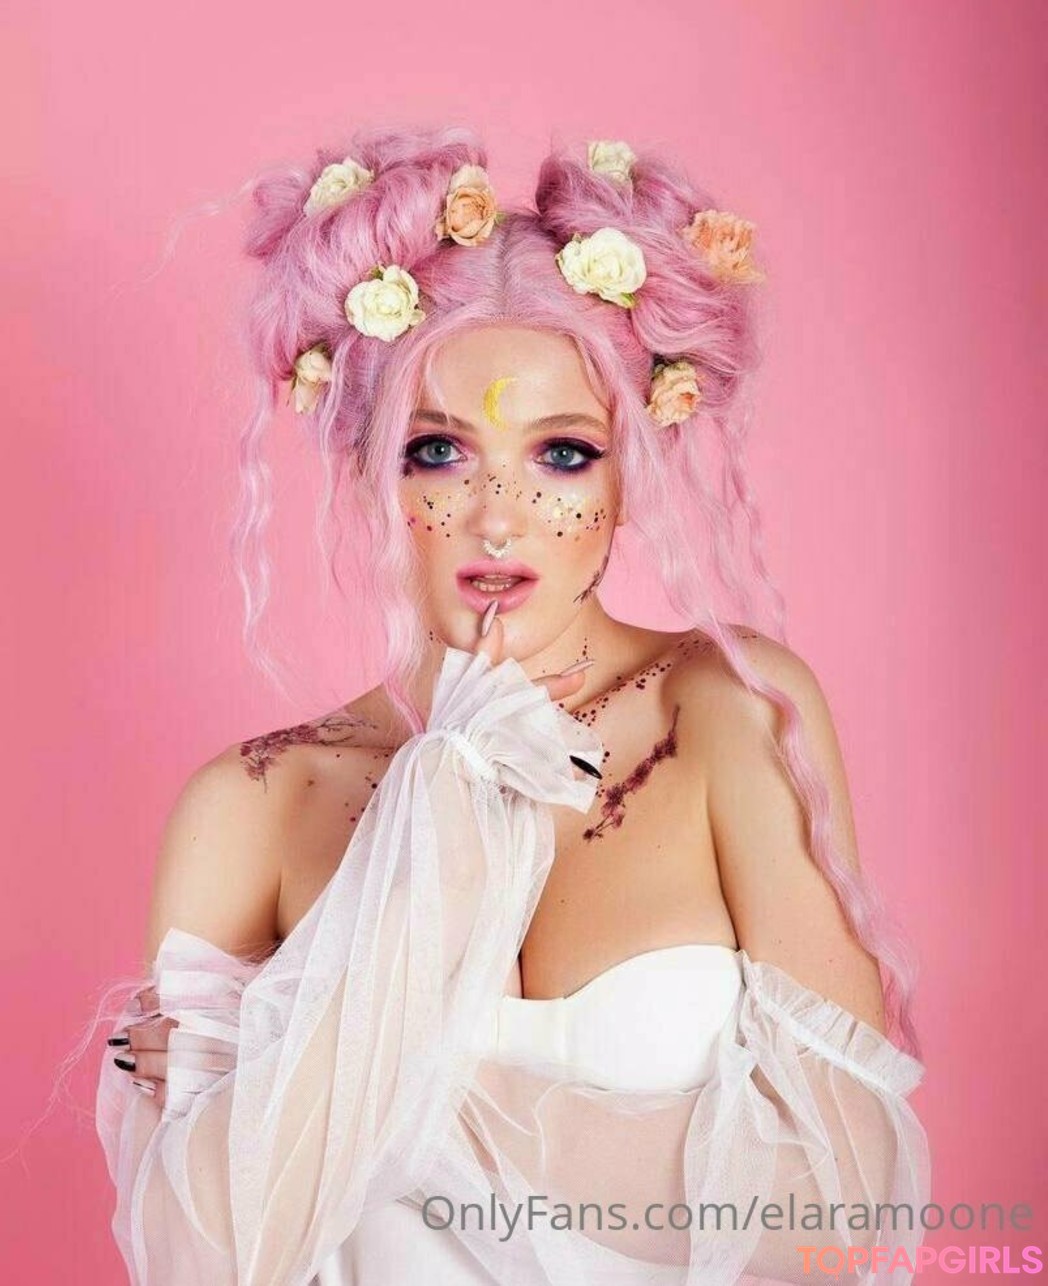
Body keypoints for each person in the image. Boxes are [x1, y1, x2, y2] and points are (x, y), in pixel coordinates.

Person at [95, 125, 930, 1284]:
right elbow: (206, 1253)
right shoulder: (255, 801)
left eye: (562, 455)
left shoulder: (731, 713)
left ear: (630, 471)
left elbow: (841, 1202)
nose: (498, 516)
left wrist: (365, 1062)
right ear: (368, 468)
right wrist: (425, 861)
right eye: (437, 451)